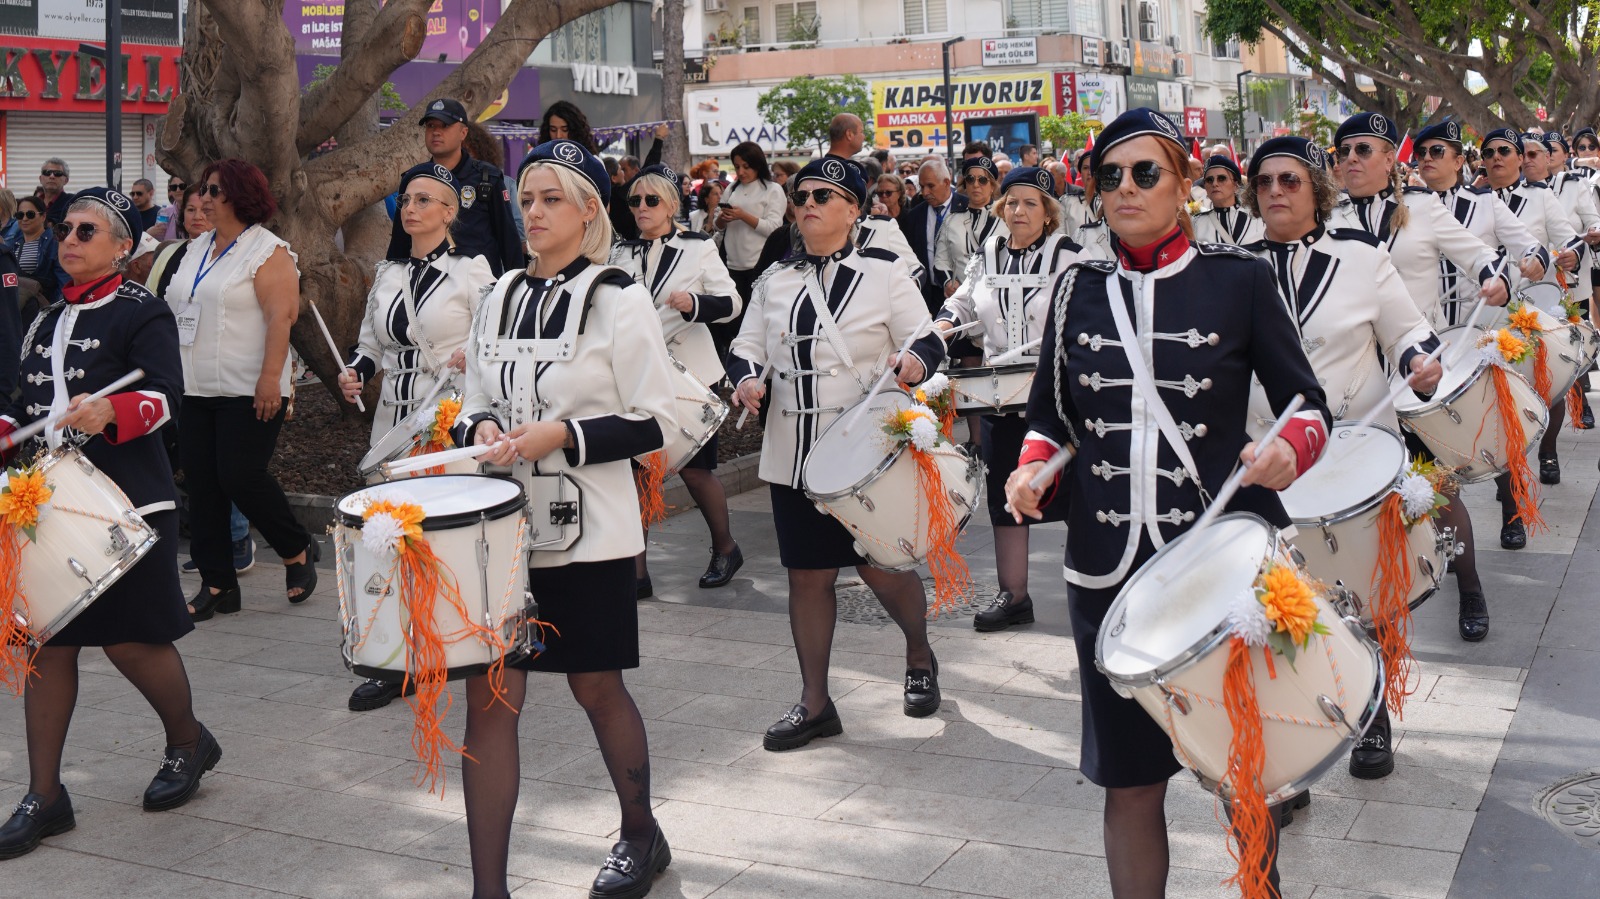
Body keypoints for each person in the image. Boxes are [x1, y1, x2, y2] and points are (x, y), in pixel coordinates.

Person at [1003, 108, 1331, 897]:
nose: (1125, 188)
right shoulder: (1077, 287)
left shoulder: (1241, 279)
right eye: (1108, 176)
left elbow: (1309, 405)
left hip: (1219, 567)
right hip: (1107, 572)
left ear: (1184, 184)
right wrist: (1033, 466)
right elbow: (1052, 415)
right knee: (1130, 780)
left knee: (1241, 768)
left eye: (1145, 172)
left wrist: (1288, 451)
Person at [454, 138, 677, 899]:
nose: (535, 212)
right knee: (489, 697)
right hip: (496, 532)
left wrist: (565, 436)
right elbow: (474, 396)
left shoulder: (620, 297)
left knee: (595, 685)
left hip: (590, 532)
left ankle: (641, 832)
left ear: (589, 212)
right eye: (527, 199)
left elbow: (655, 421)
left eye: (553, 199)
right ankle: (490, 890)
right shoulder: (497, 293)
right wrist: (478, 428)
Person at [0, 187, 219, 860]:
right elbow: (20, 403)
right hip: (51, 508)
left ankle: (187, 741)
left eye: (87, 231)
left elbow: (166, 397)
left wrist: (112, 413)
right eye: (66, 228)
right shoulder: (40, 317)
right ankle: (46, 795)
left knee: (131, 641)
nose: (70, 239)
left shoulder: (141, 311)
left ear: (122, 246)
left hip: (130, 503)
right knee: (47, 646)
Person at [727, 156, 947, 751]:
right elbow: (746, 347)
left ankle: (919, 651)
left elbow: (925, 337)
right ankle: (815, 701)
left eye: (825, 195)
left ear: (854, 208)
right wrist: (746, 380)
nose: (809, 204)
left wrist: (914, 363)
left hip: (863, 454)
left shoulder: (885, 273)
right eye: (802, 195)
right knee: (807, 575)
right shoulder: (775, 279)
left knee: (882, 567)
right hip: (794, 453)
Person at [1242, 137, 1443, 782]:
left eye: (1290, 181)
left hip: (1353, 449)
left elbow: (1408, 329)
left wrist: (1418, 360)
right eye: (1264, 181)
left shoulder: (1359, 258)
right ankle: (1290, 748)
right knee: (1278, 604)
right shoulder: (1231, 268)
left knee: (1363, 593)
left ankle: (1372, 711)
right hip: (1265, 459)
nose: (1275, 191)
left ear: (1317, 191)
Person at [339, 162, 495, 712]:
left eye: (424, 200)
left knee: (444, 531)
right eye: (406, 199)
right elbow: (369, 345)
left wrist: (470, 353)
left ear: (449, 212)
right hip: (393, 419)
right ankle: (397, 654)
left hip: (447, 416)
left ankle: (456, 635)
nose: (410, 208)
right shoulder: (387, 275)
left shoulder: (473, 273)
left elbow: (495, 339)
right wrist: (353, 369)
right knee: (392, 528)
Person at [1410, 120, 1546, 651]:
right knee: (1437, 474)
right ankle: (1465, 582)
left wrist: (1524, 268)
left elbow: (1525, 251)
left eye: (1436, 151)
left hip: (1479, 344)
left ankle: (1511, 502)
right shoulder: (1404, 210)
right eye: (1419, 152)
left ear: (1456, 156)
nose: (1425, 159)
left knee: (1495, 436)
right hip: (1420, 359)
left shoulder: (1485, 205)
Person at [163, 159, 319, 620]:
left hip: (249, 386)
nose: (204, 198)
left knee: (239, 476)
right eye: (202, 190)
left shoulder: (268, 252)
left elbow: (280, 318)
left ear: (240, 196)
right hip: (193, 388)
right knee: (204, 486)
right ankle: (218, 585)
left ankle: (296, 547)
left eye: (215, 190)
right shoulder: (195, 249)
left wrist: (270, 378)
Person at [935, 165, 1082, 631]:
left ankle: (1090, 587)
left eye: (1030, 203)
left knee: (1075, 495)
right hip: (1000, 394)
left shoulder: (1069, 256)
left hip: (1058, 396)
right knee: (1005, 497)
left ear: (1049, 212)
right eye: (1012, 202)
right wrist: (943, 324)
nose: (1019, 211)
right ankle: (1014, 595)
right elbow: (963, 303)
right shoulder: (989, 254)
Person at [612, 163, 746, 595]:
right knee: (636, 470)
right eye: (635, 201)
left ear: (671, 205)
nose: (642, 208)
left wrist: (694, 304)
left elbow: (732, 303)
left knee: (694, 470)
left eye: (651, 200)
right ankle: (635, 574)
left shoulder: (698, 246)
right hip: (636, 376)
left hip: (691, 377)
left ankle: (726, 548)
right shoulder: (620, 253)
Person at [1477, 127, 1583, 543]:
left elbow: (1567, 239)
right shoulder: (1469, 202)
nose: (1497, 157)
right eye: (1489, 152)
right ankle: (1513, 506)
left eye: (1505, 151)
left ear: (1521, 158)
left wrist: (1571, 253)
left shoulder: (1540, 197)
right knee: (1502, 416)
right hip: (1484, 323)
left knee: (1545, 393)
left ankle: (1549, 449)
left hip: (1532, 312)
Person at [387, 98, 523, 276]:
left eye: (444, 126)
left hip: (478, 286)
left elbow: (509, 241)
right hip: (427, 284)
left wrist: (516, 288)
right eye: (430, 126)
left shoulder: (487, 179)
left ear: (463, 132)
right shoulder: (414, 180)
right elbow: (400, 241)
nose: (436, 132)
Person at [711, 141, 786, 355]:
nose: (741, 172)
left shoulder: (772, 190)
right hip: (732, 265)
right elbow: (717, 225)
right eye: (736, 167)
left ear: (758, 165)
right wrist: (725, 218)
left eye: (746, 166)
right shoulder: (732, 189)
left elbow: (774, 228)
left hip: (759, 265)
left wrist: (743, 216)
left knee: (756, 322)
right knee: (733, 322)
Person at [935, 156, 1007, 297]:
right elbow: (941, 260)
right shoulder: (951, 220)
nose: (975, 185)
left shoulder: (1006, 218)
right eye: (970, 179)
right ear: (965, 184)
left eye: (982, 180)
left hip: (998, 296)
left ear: (992, 186)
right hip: (962, 298)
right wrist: (948, 282)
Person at [902, 157, 964, 312]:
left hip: (961, 293)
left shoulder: (967, 208)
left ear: (947, 182)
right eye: (922, 186)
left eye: (930, 186)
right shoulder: (915, 216)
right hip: (928, 296)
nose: (925, 192)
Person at [1190, 156, 1263, 245]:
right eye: (1209, 180)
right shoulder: (1196, 223)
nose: (1215, 184)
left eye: (1221, 178)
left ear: (1236, 185)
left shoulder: (1257, 218)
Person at [14, 195, 68, 308]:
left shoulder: (55, 243)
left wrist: (55, 311)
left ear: (43, 216)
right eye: (20, 215)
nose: (24, 219)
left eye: (30, 214)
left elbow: (64, 282)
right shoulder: (14, 245)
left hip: (43, 309)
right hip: (18, 311)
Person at [35, 158, 72, 224]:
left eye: (57, 173)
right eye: (47, 173)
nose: (52, 176)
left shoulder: (72, 203)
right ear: (40, 179)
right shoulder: (33, 202)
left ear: (66, 180)